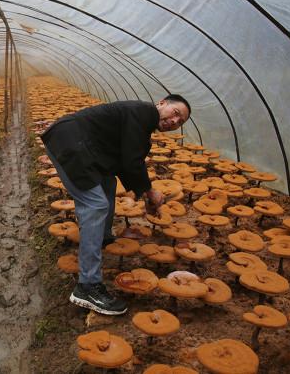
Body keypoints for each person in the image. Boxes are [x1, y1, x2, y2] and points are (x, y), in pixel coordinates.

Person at [41, 94, 191, 315]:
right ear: (162, 103)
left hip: (81, 143)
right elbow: (132, 160)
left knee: (107, 181)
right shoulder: (142, 112)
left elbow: (123, 162)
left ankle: (101, 237)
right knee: (96, 204)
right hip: (71, 142)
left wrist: (143, 193)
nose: (175, 122)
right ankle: (87, 286)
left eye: (180, 123)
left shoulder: (142, 121)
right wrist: (149, 191)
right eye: (176, 113)